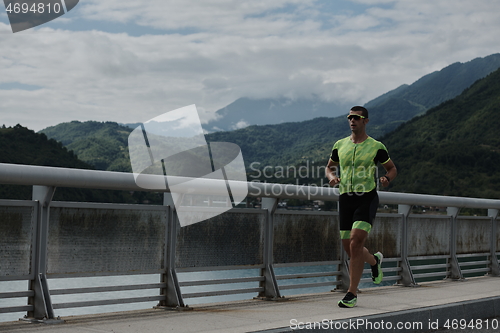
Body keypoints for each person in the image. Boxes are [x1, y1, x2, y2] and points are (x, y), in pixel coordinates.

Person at [325, 106, 397, 308]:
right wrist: (332, 177)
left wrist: (386, 178)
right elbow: (329, 166)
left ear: (365, 121)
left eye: (356, 118)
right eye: (350, 117)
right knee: (350, 249)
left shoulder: (376, 146)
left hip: (366, 197)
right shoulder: (340, 145)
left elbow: (392, 168)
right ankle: (374, 261)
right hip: (346, 198)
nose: (352, 121)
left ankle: (351, 293)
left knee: (356, 242)